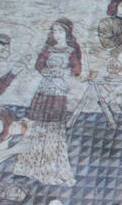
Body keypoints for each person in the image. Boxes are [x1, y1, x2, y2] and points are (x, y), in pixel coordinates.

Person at [12, 18, 81, 187]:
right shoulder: (48, 49)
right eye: (54, 31)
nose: (56, 34)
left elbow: (77, 70)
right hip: (44, 88)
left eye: (60, 31)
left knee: (52, 125)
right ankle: (29, 165)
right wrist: (46, 72)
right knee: (36, 122)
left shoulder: (72, 50)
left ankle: (50, 166)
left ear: (67, 33)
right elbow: (39, 65)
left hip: (58, 90)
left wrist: (62, 73)